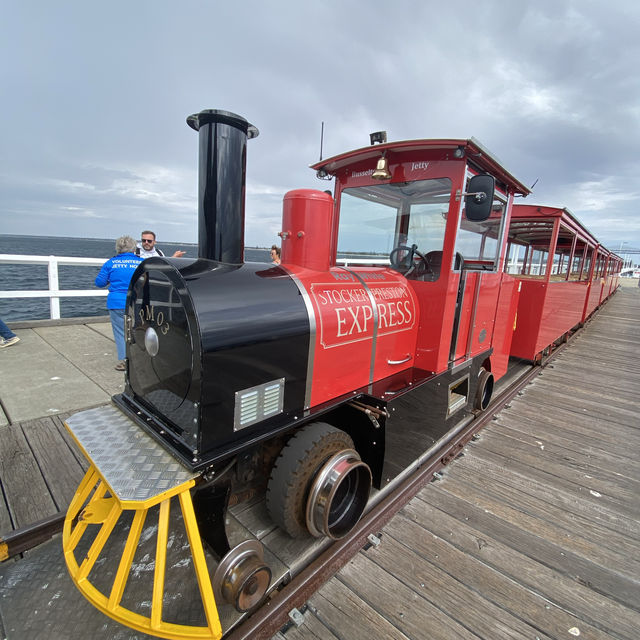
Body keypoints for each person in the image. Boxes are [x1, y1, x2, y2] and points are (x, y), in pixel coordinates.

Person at [95, 236, 143, 370]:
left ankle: (125, 361)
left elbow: (99, 283)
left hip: (116, 302)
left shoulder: (111, 263)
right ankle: (140, 358)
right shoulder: (141, 263)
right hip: (136, 302)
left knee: (121, 332)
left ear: (118, 248)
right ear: (134, 248)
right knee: (137, 330)